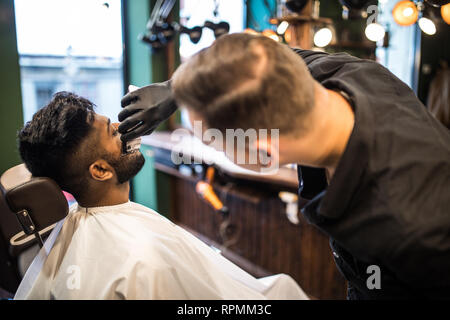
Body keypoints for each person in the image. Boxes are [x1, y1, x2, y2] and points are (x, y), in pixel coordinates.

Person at [118, 33, 450, 299]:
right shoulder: (351, 73)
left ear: (263, 154)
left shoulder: (410, 230)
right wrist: (175, 89)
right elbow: (253, 55)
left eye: (209, 142)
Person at [14, 91, 307, 300]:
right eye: (112, 131)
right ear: (101, 170)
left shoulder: (75, 231)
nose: (123, 128)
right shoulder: (143, 262)